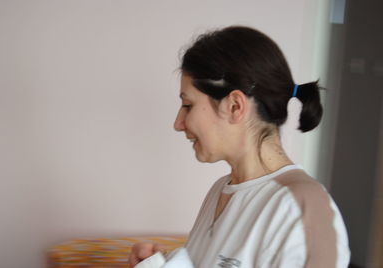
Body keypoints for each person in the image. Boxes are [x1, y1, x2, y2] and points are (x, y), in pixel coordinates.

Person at [129, 26, 350, 268]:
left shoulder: (304, 208)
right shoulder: (220, 191)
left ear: (235, 106)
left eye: (188, 105)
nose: (178, 124)